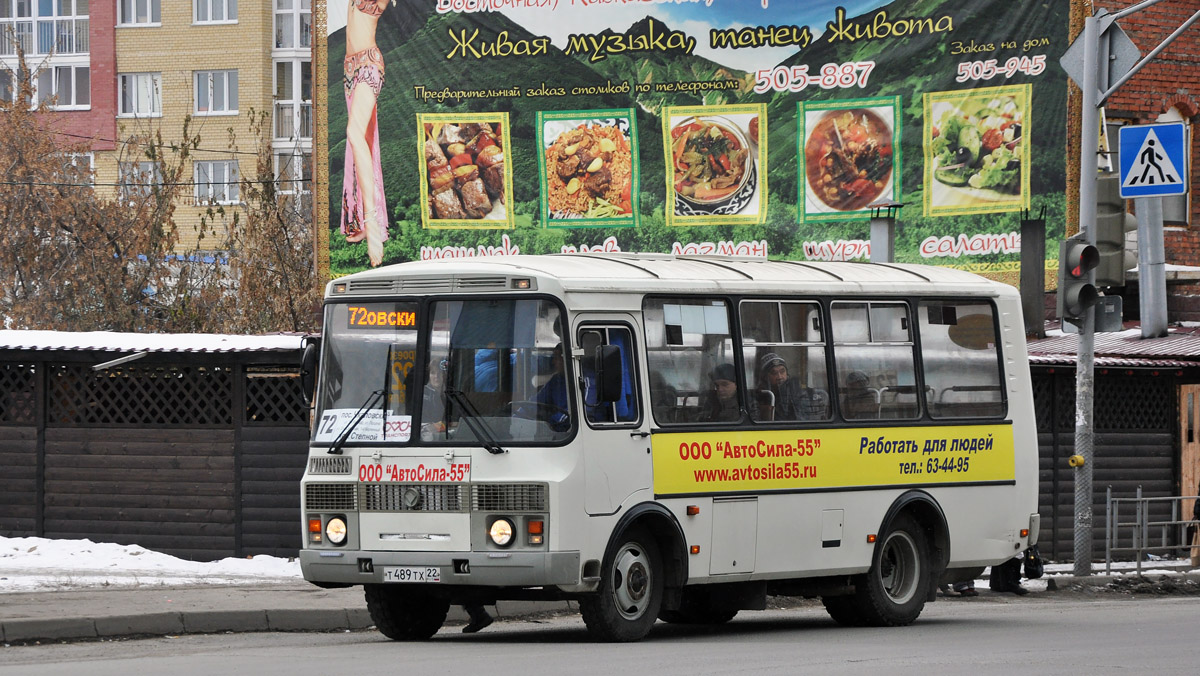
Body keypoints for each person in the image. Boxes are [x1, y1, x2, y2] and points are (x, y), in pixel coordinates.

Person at [341, 0, 392, 267]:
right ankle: (362, 219)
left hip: (369, 66)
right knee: (360, 146)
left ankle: (371, 221)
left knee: (355, 133)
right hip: (350, 69)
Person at [757, 352, 829, 421]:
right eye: (774, 373)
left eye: (782, 372)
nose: (779, 377)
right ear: (765, 377)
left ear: (787, 373)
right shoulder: (761, 396)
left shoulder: (797, 392)